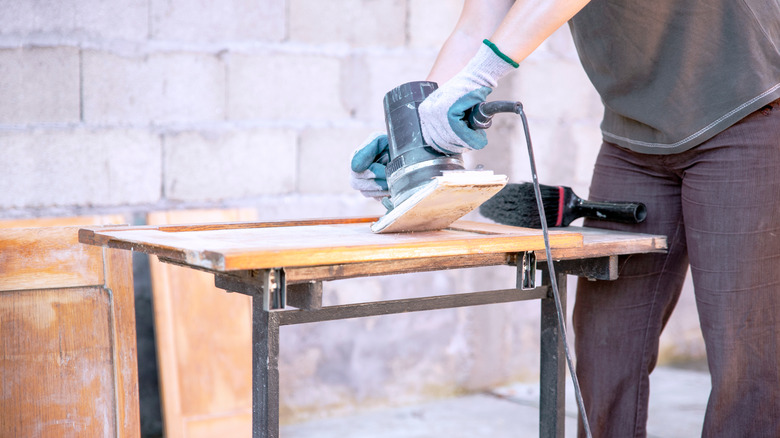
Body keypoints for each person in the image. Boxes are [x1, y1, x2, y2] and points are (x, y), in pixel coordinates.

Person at [351, 0, 780, 436]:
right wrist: (412, 137)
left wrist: (481, 75)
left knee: (744, 350)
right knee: (606, 343)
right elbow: (474, 27)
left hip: (746, 110)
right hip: (635, 137)